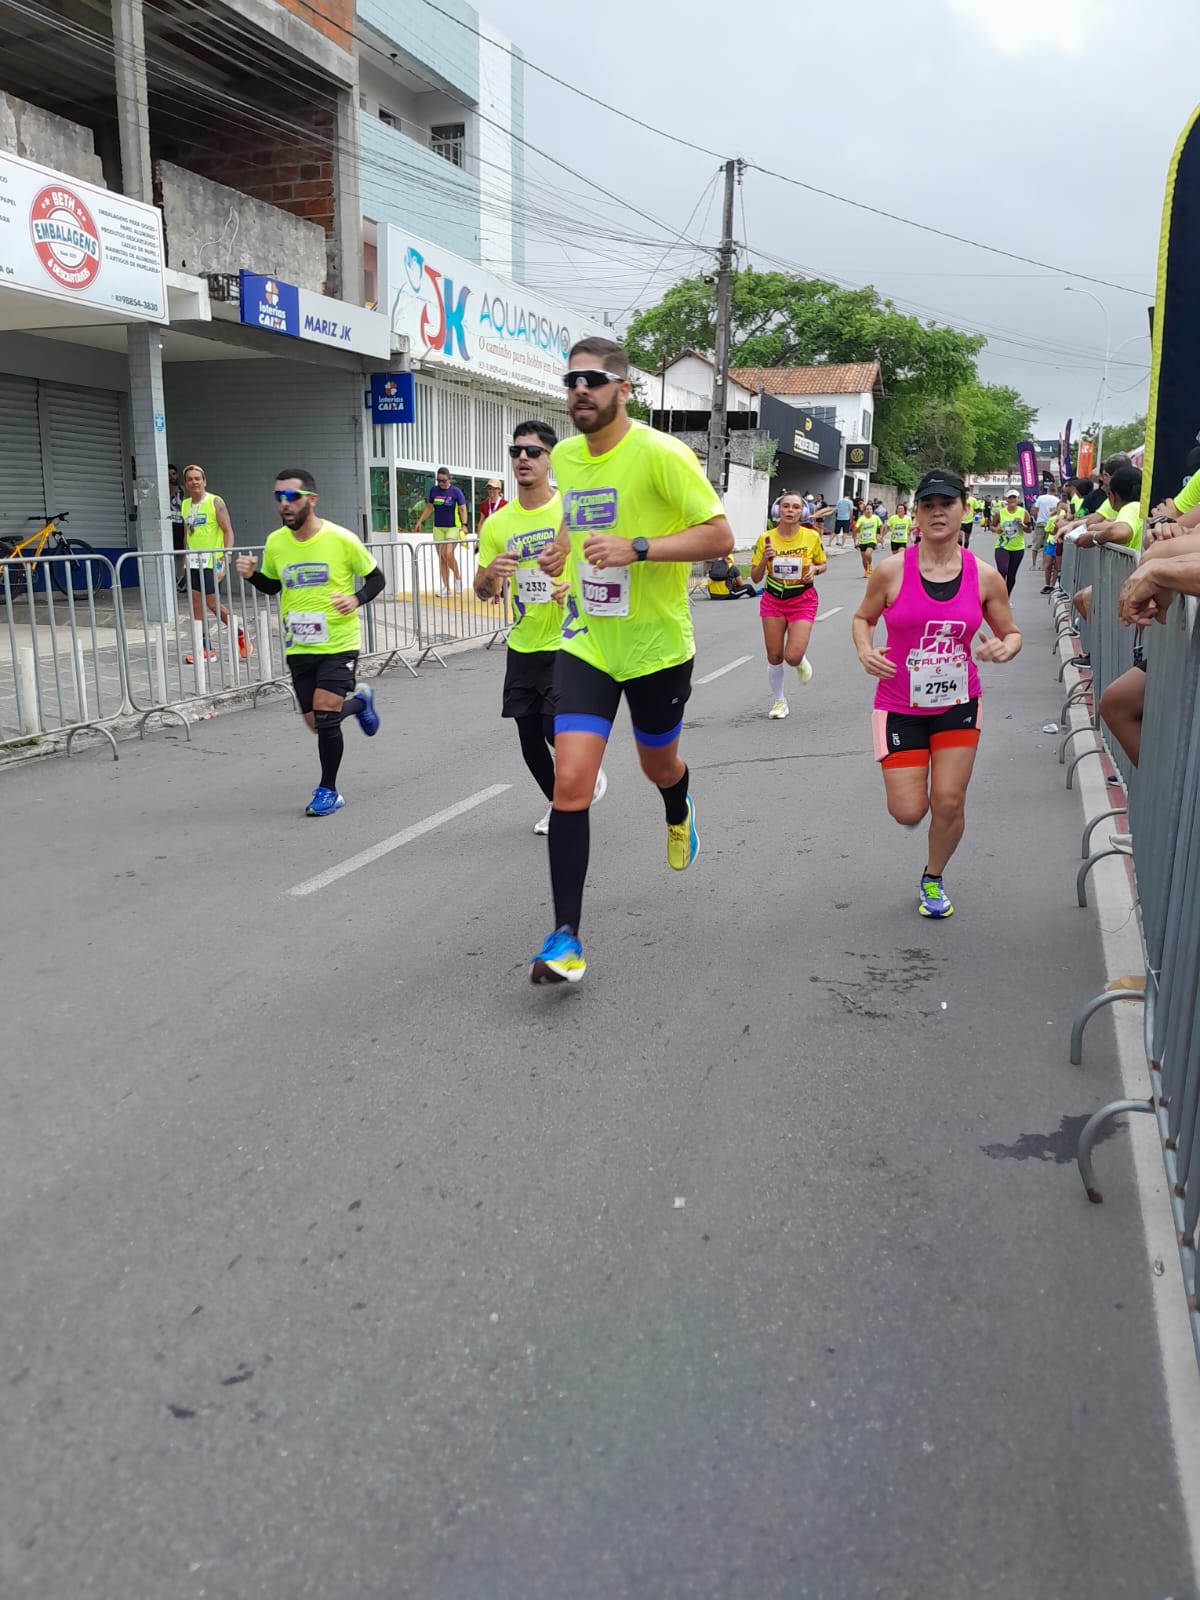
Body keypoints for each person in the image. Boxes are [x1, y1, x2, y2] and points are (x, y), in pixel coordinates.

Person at [527, 336, 733, 984]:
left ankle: (679, 809)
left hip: (656, 647)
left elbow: (721, 537)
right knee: (570, 784)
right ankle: (566, 938)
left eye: (593, 379)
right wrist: (563, 548)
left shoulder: (661, 454)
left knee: (658, 764)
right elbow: (581, 512)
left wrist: (638, 548)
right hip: (588, 639)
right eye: (571, 381)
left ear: (624, 389)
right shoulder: (565, 454)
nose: (580, 390)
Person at [852, 467, 1020, 919]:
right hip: (899, 704)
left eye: (946, 504)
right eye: (928, 505)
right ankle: (920, 815)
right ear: (917, 516)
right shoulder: (890, 571)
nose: (937, 513)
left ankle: (933, 877)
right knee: (908, 811)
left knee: (948, 799)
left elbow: (1011, 631)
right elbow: (863, 618)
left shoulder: (984, 577)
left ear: (964, 510)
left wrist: (1006, 647)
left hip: (958, 702)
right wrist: (866, 651)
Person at [475, 420, 608, 834]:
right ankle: (560, 804)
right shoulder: (497, 523)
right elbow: (482, 591)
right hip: (524, 641)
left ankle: (580, 779)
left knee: (556, 727)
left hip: (570, 639)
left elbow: (600, 563)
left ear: (550, 459)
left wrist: (574, 585)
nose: (522, 459)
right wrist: (490, 573)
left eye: (532, 452)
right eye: (516, 452)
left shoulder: (570, 510)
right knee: (529, 735)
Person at [236, 469, 384, 816]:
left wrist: (356, 598)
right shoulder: (275, 543)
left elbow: (377, 578)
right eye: (278, 498)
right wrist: (252, 575)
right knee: (317, 722)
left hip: (339, 641)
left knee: (326, 714)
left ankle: (328, 790)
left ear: (311, 499)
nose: (284, 505)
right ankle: (361, 703)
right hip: (299, 645)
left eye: (291, 497)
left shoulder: (342, 539)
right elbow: (274, 586)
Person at [750, 492, 825, 719]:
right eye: (786, 506)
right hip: (773, 599)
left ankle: (799, 660)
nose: (790, 510)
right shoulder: (766, 538)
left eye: (795, 507)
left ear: (801, 512)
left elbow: (822, 564)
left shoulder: (811, 537)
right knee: (774, 656)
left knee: (791, 656)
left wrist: (814, 570)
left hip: (802, 599)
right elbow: (754, 578)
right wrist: (765, 559)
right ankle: (779, 701)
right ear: (778, 511)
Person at [179, 464, 250, 664]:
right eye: (190, 479)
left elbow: (228, 530)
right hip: (193, 561)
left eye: (197, 478)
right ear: (186, 484)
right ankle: (205, 649)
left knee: (211, 603)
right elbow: (187, 534)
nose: (194, 482)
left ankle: (240, 635)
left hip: (212, 560)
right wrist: (184, 559)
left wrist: (225, 556)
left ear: (204, 481)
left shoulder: (214, 501)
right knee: (195, 603)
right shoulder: (185, 505)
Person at [414, 467, 468, 597]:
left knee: (448, 554)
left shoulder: (456, 491)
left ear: (449, 479)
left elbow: (462, 509)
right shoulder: (434, 490)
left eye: (443, 481)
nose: (441, 483)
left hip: (453, 527)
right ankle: (446, 588)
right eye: (438, 480)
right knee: (442, 558)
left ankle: (458, 578)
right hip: (438, 527)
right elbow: (429, 507)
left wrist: (465, 525)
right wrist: (420, 521)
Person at [991, 489, 1031, 595]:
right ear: (1006, 499)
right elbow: (992, 526)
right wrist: (996, 530)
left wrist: (1022, 525)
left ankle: (1005, 598)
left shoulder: (1024, 513)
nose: (1012, 499)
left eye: (1014, 497)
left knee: (1011, 574)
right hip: (1002, 545)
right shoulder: (1000, 512)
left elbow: (1029, 530)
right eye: (1010, 497)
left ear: (1018, 499)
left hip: (1017, 547)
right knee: (1002, 570)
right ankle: (998, 595)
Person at [1039, 499, 1068, 594]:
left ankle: (1052, 585)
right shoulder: (1052, 518)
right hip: (1051, 542)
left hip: (1059, 543)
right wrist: (1055, 529)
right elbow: (1048, 531)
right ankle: (1047, 584)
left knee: (1057, 566)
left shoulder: (1065, 517)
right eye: (1059, 506)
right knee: (1048, 565)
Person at [1032, 484, 1059, 570]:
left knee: (1036, 544)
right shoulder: (1057, 500)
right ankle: (1044, 565)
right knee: (1046, 545)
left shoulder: (1040, 498)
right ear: (1055, 491)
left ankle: (1033, 565)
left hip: (1040, 522)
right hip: (1050, 523)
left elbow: (1035, 509)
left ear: (1048, 490)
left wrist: (1037, 519)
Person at [169, 463, 186, 590]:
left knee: (181, 553)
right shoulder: (163, 490)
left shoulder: (183, 490)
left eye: (173, 474)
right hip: (168, 525)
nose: (171, 477)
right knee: (169, 553)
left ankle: (181, 581)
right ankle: (171, 580)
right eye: (168, 475)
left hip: (181, 524)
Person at [855, 502, 882, 575]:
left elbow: (881, 526)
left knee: (867, 554)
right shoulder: (861, 519)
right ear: (864, 511)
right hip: (863, 540)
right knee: (863, 558)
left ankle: (869, 565)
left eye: (870, 509)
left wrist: (880, 535)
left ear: (872, 510)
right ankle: (866, 570)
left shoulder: (875, 518)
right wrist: (860, 526)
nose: (869, 510)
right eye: (867, 509)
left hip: (872, 539)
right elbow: (856, 530)